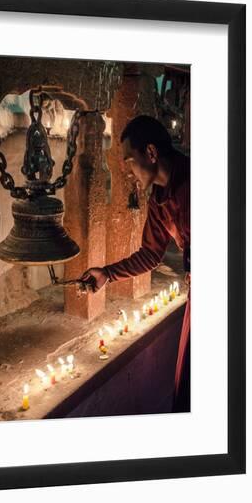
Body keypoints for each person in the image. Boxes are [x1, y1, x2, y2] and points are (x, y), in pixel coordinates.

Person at [80, 115, 190, 412]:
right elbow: (151, 254)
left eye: (129, 161)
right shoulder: (158, 201)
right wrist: (107, 274)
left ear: (151, 153)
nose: (127, 171)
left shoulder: (196, 182)